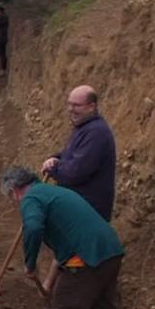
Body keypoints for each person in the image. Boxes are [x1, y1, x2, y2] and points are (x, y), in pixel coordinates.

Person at [0, 166, 126, 309]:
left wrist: (30, 263)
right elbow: (65, 241)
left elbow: (33, 227)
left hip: (86, 259)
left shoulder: (32, 198)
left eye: (12, 198)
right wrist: (47, 281)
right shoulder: (55, 192)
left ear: (16, 191)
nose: (15, 203)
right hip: (110, 251)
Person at [42, 85, 116, 222]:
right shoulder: (84, 128)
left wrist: (52, 168)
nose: (71, 109)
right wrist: (55, 158)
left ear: (91, 106)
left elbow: (74, 173)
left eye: (76, 105)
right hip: (79, 208)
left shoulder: (96, 133)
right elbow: (71, 155)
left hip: (89, 213)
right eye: (69, 104)